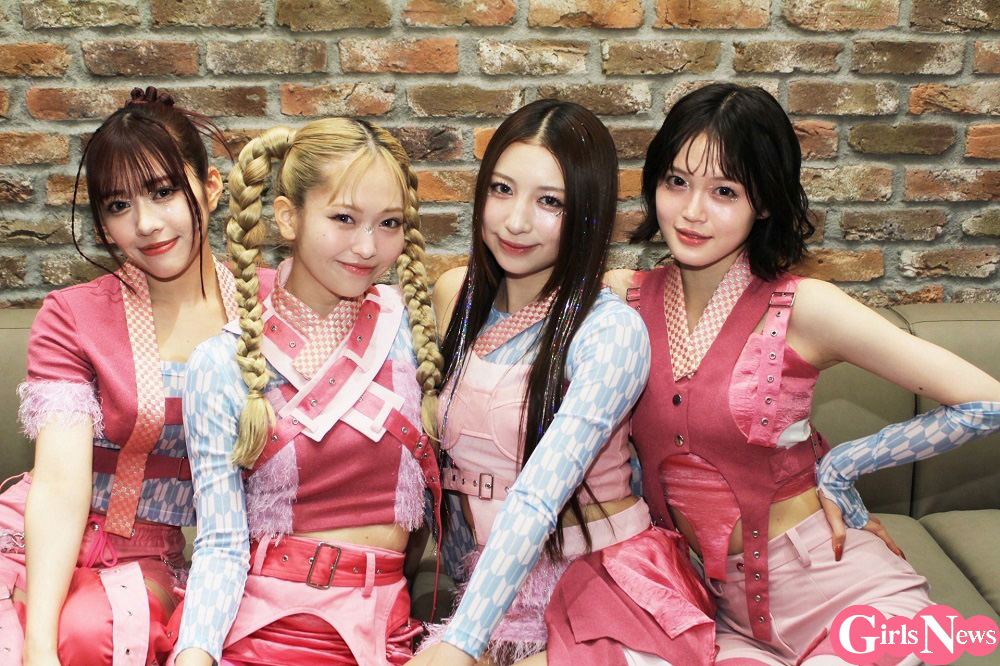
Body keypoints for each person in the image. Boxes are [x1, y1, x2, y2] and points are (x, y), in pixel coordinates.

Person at [606, 82, 1000, 666]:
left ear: (764, 201)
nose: (692, 211)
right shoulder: (623, 301)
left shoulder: (805, 307)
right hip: (714, 618)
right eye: (676, 181)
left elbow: (987, 401)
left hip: (845, 596)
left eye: (724, 191)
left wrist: (840, 470)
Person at [410, 99, 716, 666]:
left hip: (602, 590)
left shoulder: (609, 332)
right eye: (502, 189)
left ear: (587, 215)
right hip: (491, 592)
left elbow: (538, 495)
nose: (516, 221)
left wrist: (461, 641)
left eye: (549, 201)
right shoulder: (457, 296)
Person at [0, 86, 271, 665]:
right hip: (35, 541)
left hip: (151, 557)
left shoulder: (269, 306)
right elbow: (60, 485)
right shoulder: (74, 316)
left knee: (94, 633)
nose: (146, 224)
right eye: (119, 205)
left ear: (211, 187)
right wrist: (38, 648)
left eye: (164, 191)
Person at [170, 117, 444, 666]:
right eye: (343, 218)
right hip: (259, 631)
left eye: (389, 223)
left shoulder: (413, 332)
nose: (367, 247)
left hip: (380, 632)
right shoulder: (220, 363)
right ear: (287, 216)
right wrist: (194, 654)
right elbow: (220, 545)